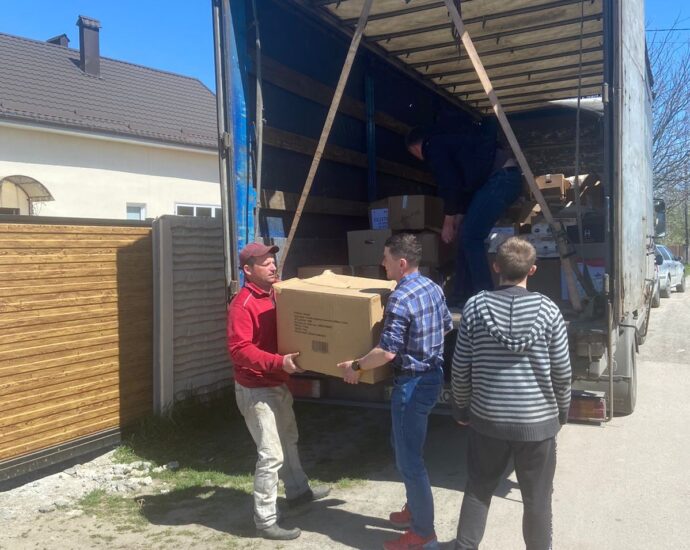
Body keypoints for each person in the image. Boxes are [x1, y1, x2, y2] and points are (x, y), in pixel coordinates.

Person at [450, 237, 571, 550]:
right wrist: (561, 412)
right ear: (532, 269)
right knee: (538, 500)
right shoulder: (549, 310)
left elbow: (460, 367)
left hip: (487, 421)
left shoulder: (475, 307)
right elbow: (562, 372)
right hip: (537, 423)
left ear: (495, 267)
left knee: (478, 490)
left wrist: (461, 407)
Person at [338, 233, 452, 550]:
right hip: (432, 377)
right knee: (401, 443)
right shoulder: (432, 286)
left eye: (386, 258)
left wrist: (356, 366)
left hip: (412, 384)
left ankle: (423, 533)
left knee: (409, 461)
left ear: (401, 263)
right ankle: (414, 508)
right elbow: (445, 326)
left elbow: (387, 352)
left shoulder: (400, 298)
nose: (381, 263)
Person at [227, 242, 330, 541]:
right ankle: (265, 520)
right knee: (271, 455)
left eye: (273, 260)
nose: (273, 265)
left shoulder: (278, 293)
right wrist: (278, 362)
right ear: (248, 270)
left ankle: (298, 492)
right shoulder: (242, 305)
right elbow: (238, 350)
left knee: (289, 439)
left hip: (277, 382)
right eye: (265, 263)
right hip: (255, 389)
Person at [406, 119, 523, 307]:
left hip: (500, 180)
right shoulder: (450, 144)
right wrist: (458, 217)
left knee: (470, 236)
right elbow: (463, 185)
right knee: (465, 235)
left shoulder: (433, 147)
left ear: (415, 148)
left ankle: (485, 299)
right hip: (502, 180)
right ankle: (461, 295)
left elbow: (450, 184)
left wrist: (448, 223)